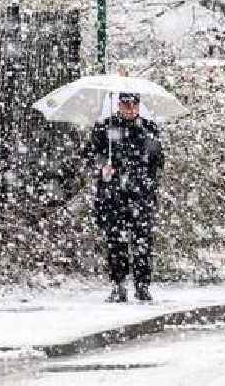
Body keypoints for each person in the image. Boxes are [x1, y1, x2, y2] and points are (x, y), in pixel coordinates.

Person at [83, 93, 164, 302]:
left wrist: (145, 179)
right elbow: (90, 154)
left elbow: (157, 161)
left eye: (133, 104)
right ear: (118, 104)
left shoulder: (148, 128)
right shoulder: (105, 128)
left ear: (138, 105)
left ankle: (142, 285)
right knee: (115, 242)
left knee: (142, 243)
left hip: (140, 196)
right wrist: (103, 166)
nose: (130, 108)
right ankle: (118, 284)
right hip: (112, 196)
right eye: (126, 104)